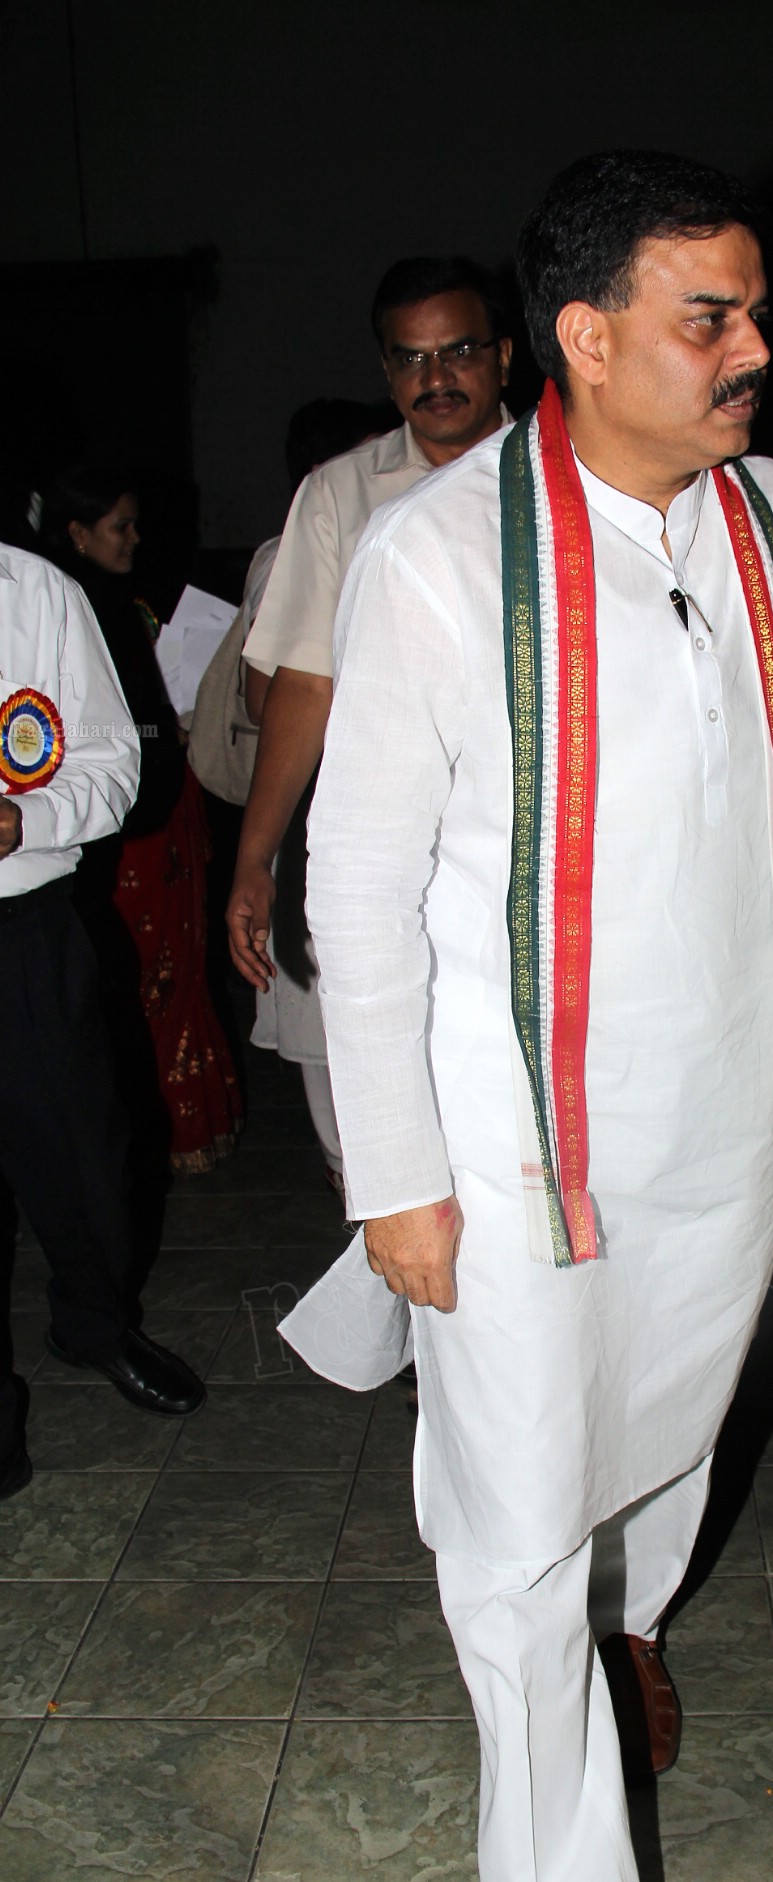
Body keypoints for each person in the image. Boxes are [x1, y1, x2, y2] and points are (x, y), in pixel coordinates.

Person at [281, 150, 773, 1882]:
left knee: (668, 1440)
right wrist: (400, 1178)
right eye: (713, 318)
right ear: (586, 340)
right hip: (511, 1142)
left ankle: (644, 1615)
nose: (755, 349)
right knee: (513, 1533)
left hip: (713, 1113)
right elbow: (352, 878)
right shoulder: (442, 557)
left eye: (756, 310)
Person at [227, 259, 512, 1188]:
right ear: (388, 374)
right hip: (376, 846)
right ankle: (407, 1324)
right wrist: (255, 860)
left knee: (508, 1126)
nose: (437, 378)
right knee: (372, 1134)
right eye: (412, 359)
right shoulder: (340, 495)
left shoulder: (569, 476)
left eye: (459, 351)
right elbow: (301, 687)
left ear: (503, 356)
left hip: (521, 849)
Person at [1, 540, 205, 1500]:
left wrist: (23, 823)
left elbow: (113, 765)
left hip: (25, 927)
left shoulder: (36, 591)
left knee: (87, 1160)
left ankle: (95, 1323)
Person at [190, 399, 390, 1187]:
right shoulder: (293, 559)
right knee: (341, 1076)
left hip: (389, 827)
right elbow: (265, 702)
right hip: (321, 824)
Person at [40, 467, 244, 1176]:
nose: (133, 538)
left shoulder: (122, 600)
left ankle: (189, 1124)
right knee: (145, 967)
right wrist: (162, 739)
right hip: (125, 819)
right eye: (118, 527)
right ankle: (158, 1131)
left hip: (162, 807)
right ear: (76, 533)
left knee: (181, 958)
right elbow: (99, 731)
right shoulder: (64, 610)